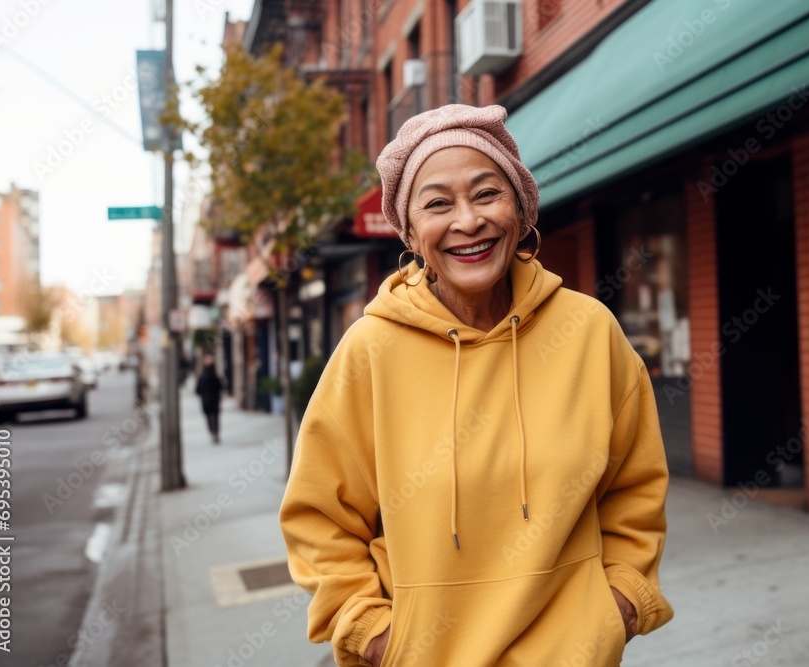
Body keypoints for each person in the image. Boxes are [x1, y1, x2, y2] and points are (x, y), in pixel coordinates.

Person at [280, 104, 674, 667]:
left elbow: (635, 486)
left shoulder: (589, 331)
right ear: (411, 232)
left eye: (487, 194)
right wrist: (373, 633)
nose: (468, 221)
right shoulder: (369, 351)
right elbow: (320, 516)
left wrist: (619, 604)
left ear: (520, 209)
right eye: (438, 203)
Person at [195, 354, 222, 444]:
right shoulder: (213, 375)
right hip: (213, 399)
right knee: (214, 416)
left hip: (207, 400)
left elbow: (197, 390)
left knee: (210, 417)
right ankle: (215, 432)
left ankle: (213, 432)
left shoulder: (203, 376)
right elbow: (220, 386)